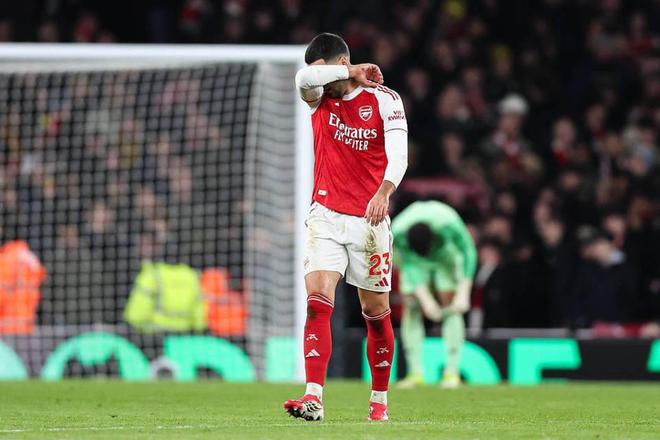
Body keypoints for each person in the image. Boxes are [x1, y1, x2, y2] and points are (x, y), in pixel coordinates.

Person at [283, 33, 408, 422]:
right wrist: (350, 71)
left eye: (327, 71)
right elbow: (304, 78)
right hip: (325, 215)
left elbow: (399, 156)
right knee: (317, 301)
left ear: (337, 63)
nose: (321, 79)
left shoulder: (385, 100)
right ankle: (314, 397)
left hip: (369, 222)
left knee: (376, 312)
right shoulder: (318, 97)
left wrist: (384, 192)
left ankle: (379, 402)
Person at [391, 201, 476, 389]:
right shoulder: (397, 232)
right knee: (411, 305)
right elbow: (407, 264)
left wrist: (464, 292)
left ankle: (452, 373)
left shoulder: (448, 225)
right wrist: (426, 299)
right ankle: (415, 373)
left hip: (445, 253)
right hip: (414, 260)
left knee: (451, 304)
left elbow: (468, 252)